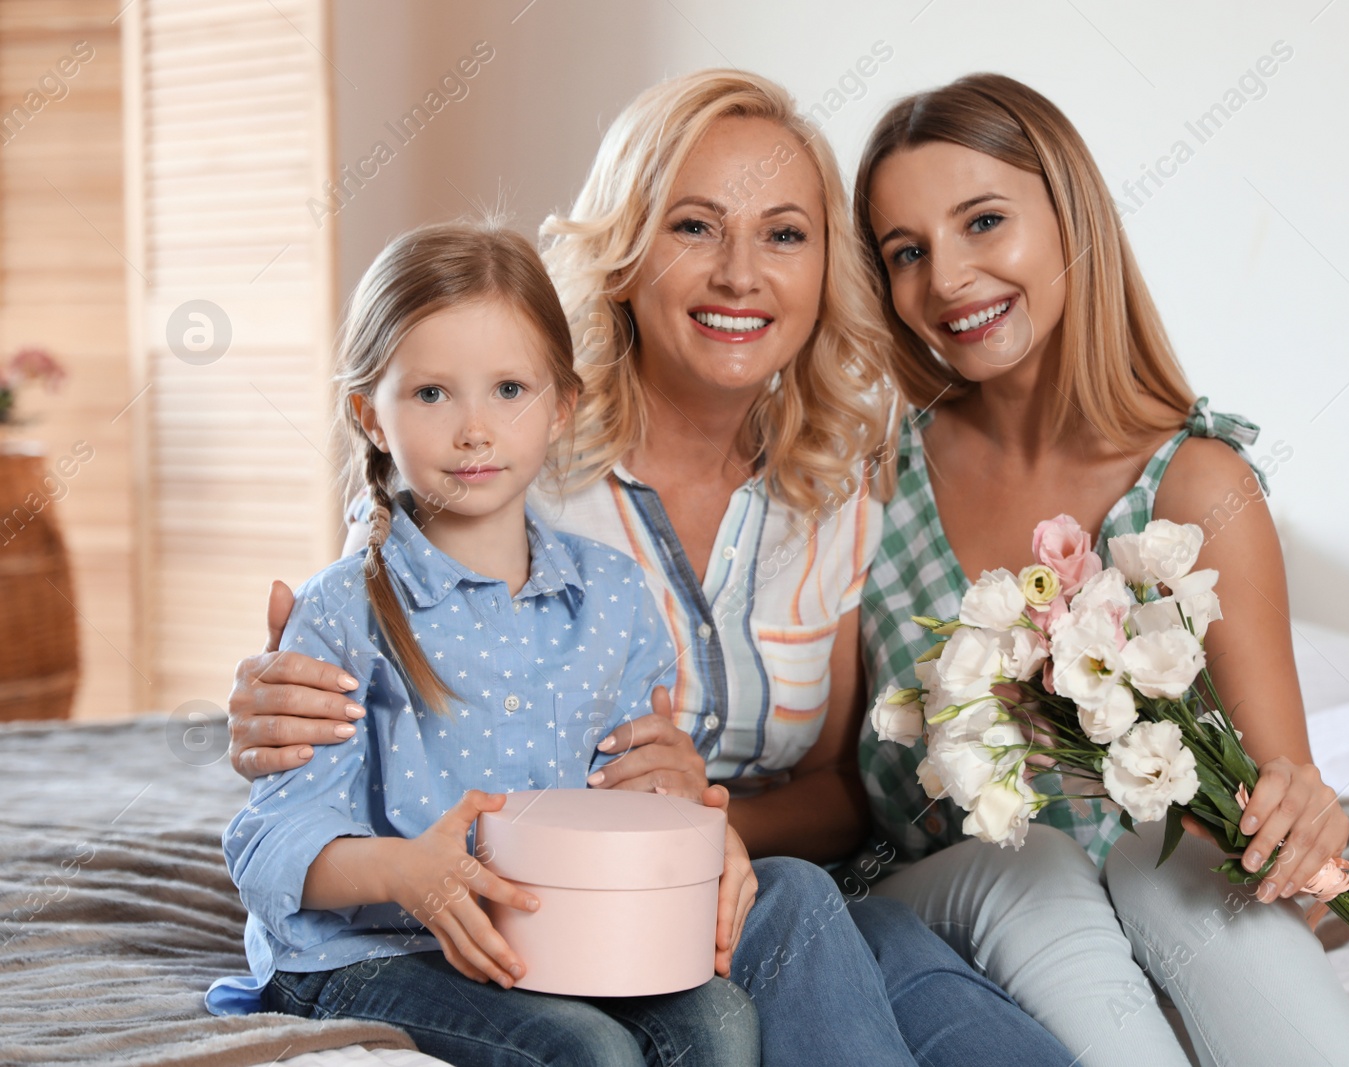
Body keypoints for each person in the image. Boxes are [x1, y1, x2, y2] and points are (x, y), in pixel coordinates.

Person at [215, 73, 1079, 1067]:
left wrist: (691, 814)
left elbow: (839, 784)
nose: (741, 274)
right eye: (694, 226)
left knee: (890, 954)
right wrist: (261, 705)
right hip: (587, 901)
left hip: (732, 883)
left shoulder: (834, 480)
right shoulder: (510, 466)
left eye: (784, 234)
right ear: (627, 250)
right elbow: (367, 609)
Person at [850, 73, 1349, 1065]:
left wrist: (1302, 825)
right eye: (907, 253)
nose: (949, 277)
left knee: (1165, 859)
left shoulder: (1198, 486)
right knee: (1044, 861)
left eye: (983, 222)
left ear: (1070, 220)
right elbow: (834, 783)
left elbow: (1277, 796)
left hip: (1139, 904)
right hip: (946, 902)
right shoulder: (867, 485)